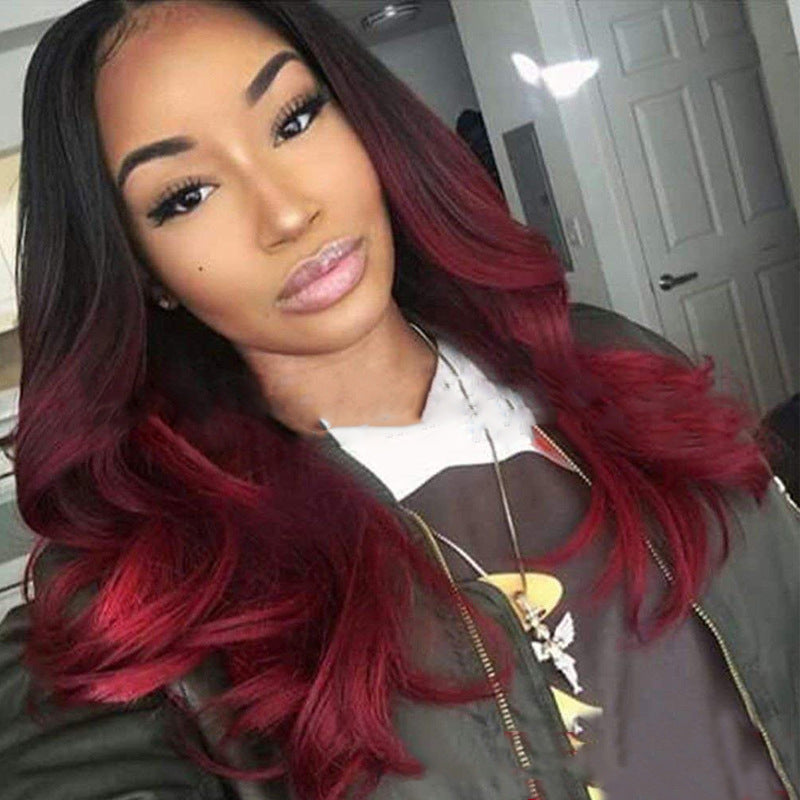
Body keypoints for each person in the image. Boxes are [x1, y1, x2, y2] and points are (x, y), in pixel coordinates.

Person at [0, 2, 797, 799]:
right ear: (143, 271)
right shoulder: (155, 588)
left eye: (294, 120)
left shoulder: (608, 360)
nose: (286, 212)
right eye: (186, 195)